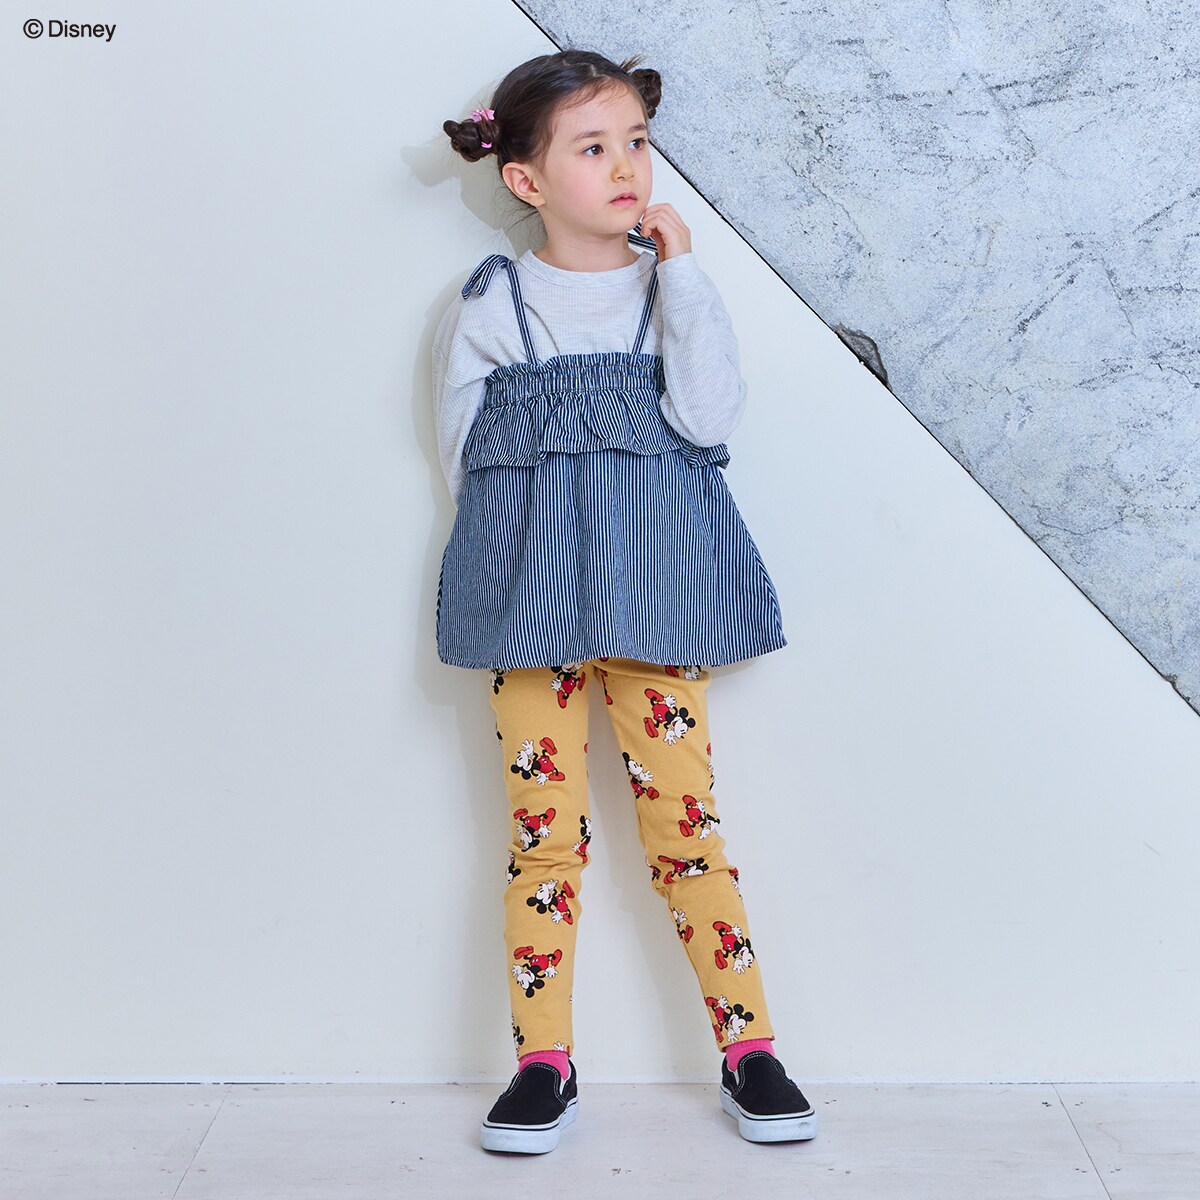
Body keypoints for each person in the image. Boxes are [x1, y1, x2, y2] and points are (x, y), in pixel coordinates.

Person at [435, 47, 818, 1154]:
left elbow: (709, 420)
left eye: (636, 143)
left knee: (687, 829)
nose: (624, 168)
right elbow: (467, 465)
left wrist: (684, 274)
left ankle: (750, 1049)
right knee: (542, 842)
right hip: (534, 613)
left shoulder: (669, 292)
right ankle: (542, 1063)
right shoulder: (492, 305)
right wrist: (524, 571)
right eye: (592, 147)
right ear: (525, 178)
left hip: (656, 604)